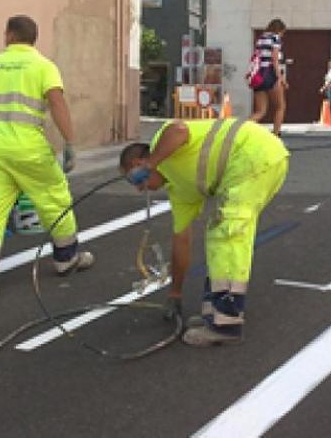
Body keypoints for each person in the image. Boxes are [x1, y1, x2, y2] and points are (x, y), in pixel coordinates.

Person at [120, 118, 289, 347]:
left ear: (141, 162)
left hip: (253, 155)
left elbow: (179, 130)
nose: (140, 188)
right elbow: (181, 241)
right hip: (254, 163)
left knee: (227, 233)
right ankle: (215, 313)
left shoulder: (163, 141)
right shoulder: (179, 192)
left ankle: (225, 323)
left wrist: (152, 162)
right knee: (219, 233)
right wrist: (175, 293)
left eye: (137, 179)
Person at [0, 15, 93, 301]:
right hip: (29, 150)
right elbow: (57, 102)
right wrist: (69, 142)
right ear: (34, 38)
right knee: (53, 197)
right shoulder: (44, 66)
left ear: (8, 35)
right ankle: (66, 257)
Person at [249, 18, 288, 137]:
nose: (282, 35)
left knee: (260, 111)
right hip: (270, 73)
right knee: (280, 106)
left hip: (258, 75)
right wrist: (281, 78)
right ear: (279, 30)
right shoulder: (275, 38)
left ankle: (241, 129)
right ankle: (276, 135)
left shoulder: (260, 39)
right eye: (282, 32)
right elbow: (274, 60)